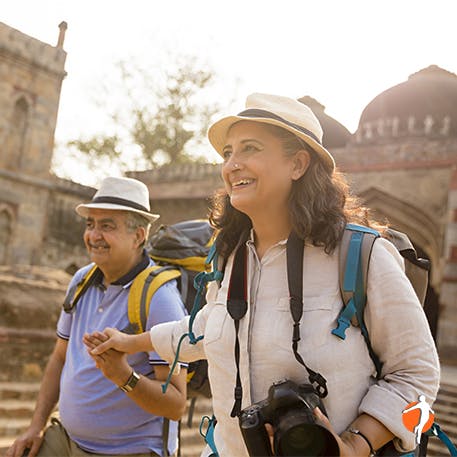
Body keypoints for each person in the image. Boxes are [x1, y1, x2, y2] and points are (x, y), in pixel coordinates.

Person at [85, 94, 440, 457]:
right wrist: (128, 343)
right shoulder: (230, 257)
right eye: (227, 153)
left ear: (298, 164)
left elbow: (419, 376)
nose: (232, 165)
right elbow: (207, 328)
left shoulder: (359, 256)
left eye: (249, 149)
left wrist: (355, 444)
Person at [7, 177, 188, 457]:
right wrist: (36, 426)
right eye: (90, 224)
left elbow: (176, 405)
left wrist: (123, 376)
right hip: (65, 438)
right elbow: (59, 357)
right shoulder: (82, 281)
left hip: (127, 450)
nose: (94, 235)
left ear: (138, 236)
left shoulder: (159, 298)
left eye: (107, 226)